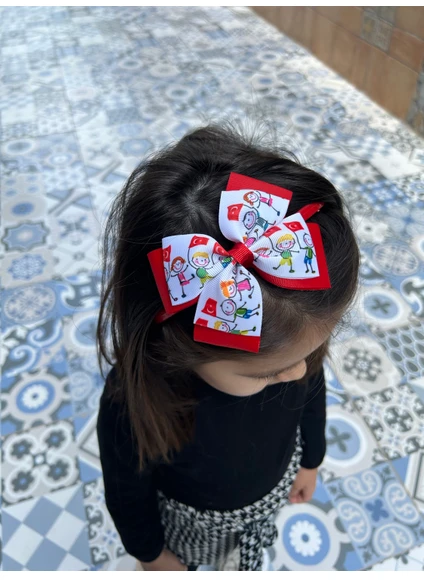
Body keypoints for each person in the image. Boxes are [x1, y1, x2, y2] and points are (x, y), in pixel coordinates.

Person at [96, 124, 359, 571]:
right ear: (176, 347)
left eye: (310, 355)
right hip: (189, 526)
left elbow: (312, 397)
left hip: (270, 490)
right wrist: (152, 556)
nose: (298, 374)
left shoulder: (291, 353)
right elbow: (126, 490)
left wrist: (311, 460)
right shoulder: (134, 400)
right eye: (266, 373)